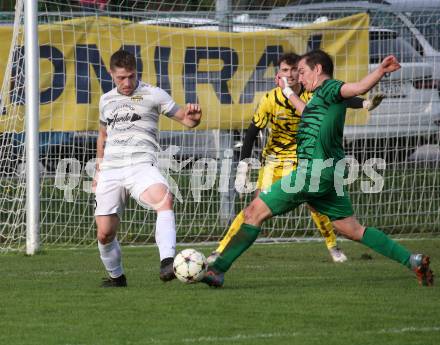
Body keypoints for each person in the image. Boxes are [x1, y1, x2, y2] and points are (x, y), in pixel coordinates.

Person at [203, 49, 433, 288]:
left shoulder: (330, 88)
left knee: (253, 212)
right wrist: (287, 91)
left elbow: (357, 88)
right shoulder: (319, 98)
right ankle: (412, 260)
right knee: (352, 229)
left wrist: (380, 71)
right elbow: (306, 111)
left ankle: (217, 270)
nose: (299, 77)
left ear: (318, 70)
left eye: (302, 72)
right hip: (329, 175)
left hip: (313, 172)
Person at [208, 53, 383, 264]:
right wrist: (245, 164)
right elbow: (253, 132)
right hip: (273, 161)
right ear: (278, 74)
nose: (290, 74)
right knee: (254, 208)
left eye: (294, 70)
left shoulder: (311, 94)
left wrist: (365, 104)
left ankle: (332, 246)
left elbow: (341, 98)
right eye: (285, 70)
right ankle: (221, 250)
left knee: (314, 206)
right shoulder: (270, 99)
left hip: (302, 160)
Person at [94, 50, 202, 287]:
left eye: (131, 76)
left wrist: (194, 117)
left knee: (164, 199)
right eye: (121, 77)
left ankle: (167, 262)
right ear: (111, 74)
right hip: (111, 169)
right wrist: (98, 169)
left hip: (141, 165)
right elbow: (103, 135)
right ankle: (116, 277)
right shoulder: (106, 100)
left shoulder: (154, 94)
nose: (127, 82)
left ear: (137, 72)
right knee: (104, 233)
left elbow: (186, 119)